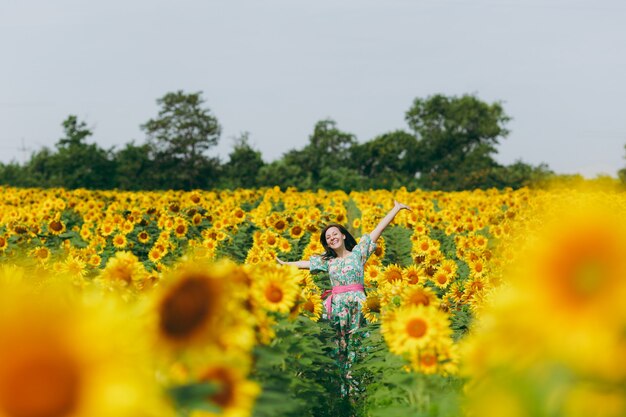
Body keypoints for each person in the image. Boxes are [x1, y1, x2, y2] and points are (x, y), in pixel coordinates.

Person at [277, 200, 411, 395]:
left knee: (358, 344)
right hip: (337, 309)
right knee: (339, 347)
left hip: (358, 306)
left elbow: (377, 231)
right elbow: (304, 263)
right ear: (327, 243)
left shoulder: (358, 254)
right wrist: (285, 263)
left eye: (334, 234)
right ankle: (342, 392)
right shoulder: (328, 261)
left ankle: (359, 388)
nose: (332, 238)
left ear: (343, 235)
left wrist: (395, 209)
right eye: (328, 237)